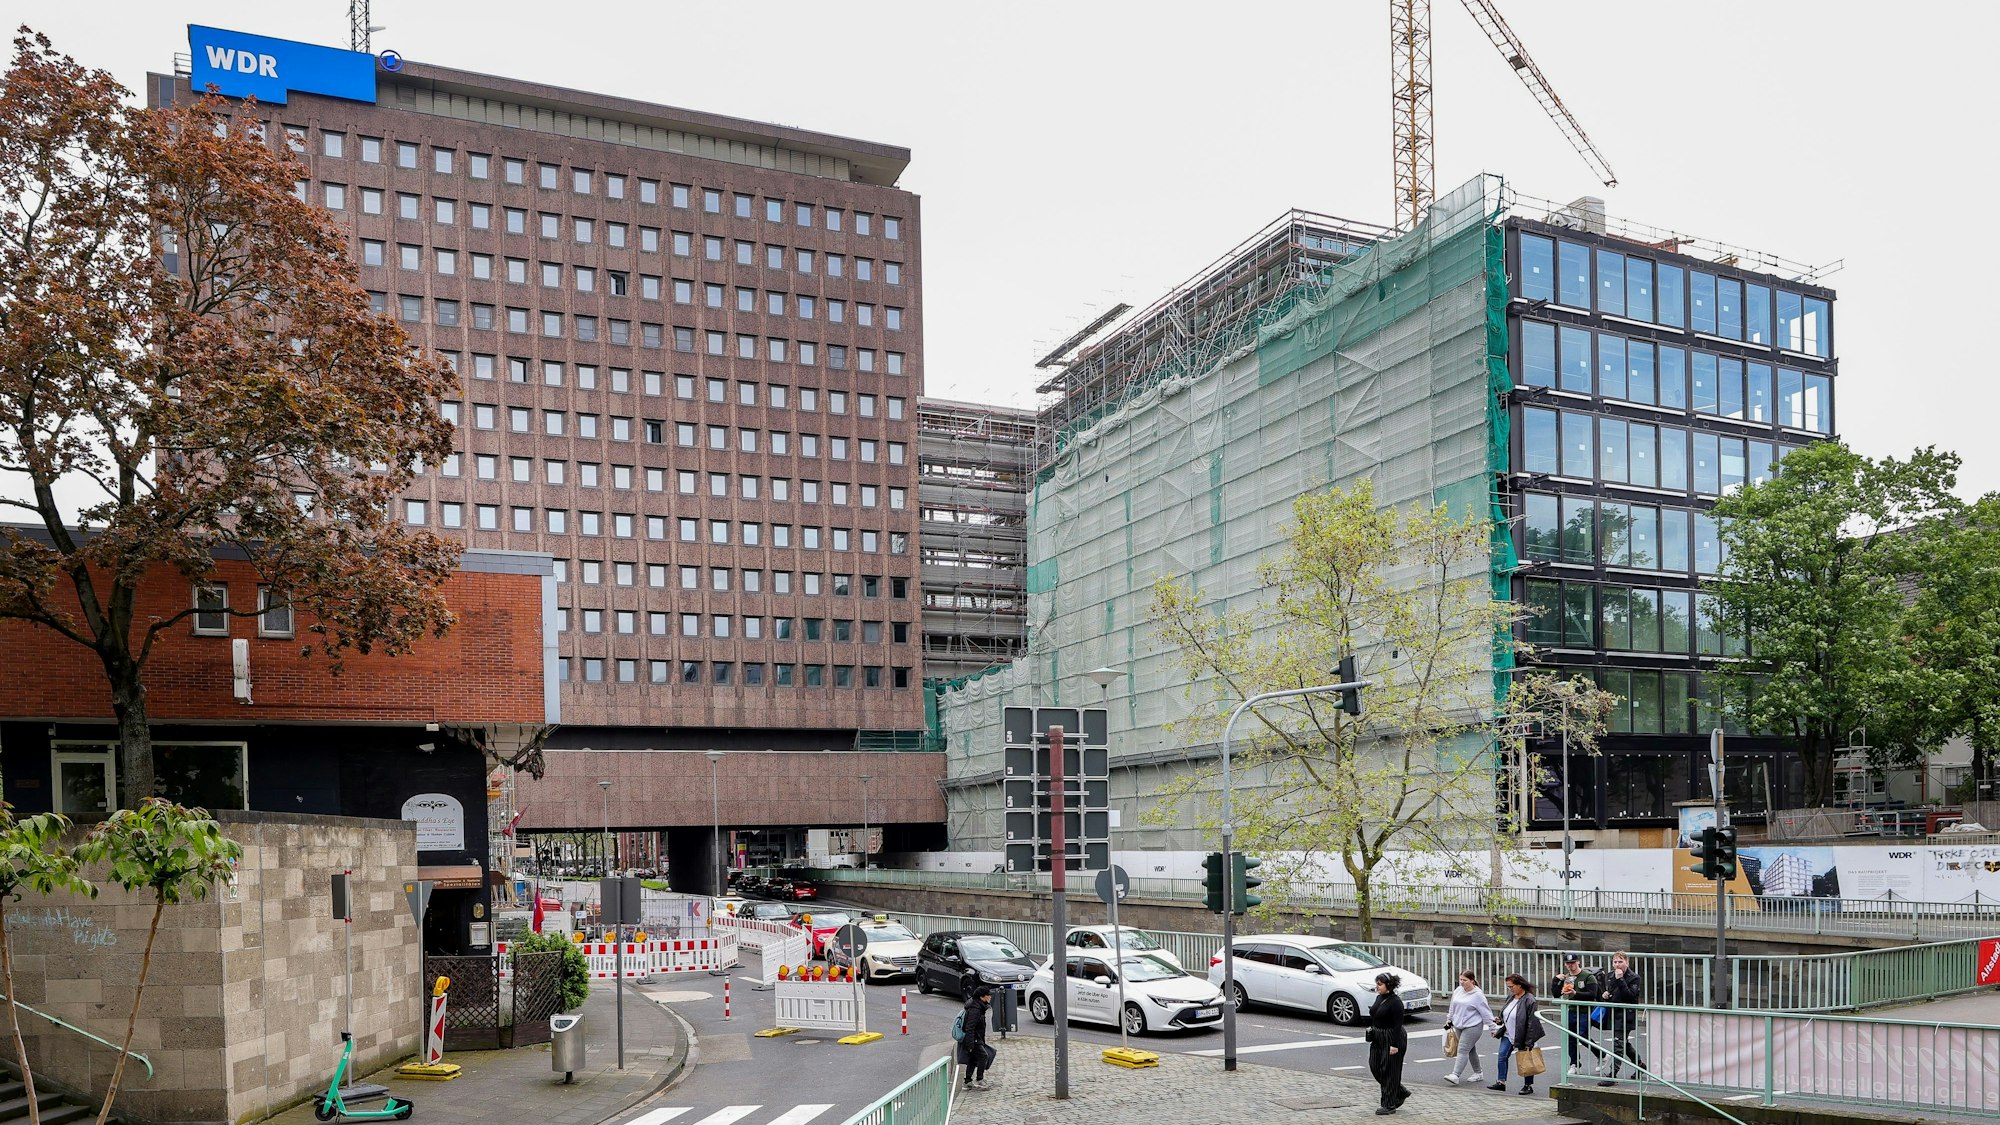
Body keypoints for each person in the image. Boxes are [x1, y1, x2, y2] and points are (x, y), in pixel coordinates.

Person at [1550, 953, 1605, 1074]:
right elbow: (1557, 994)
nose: (1570, 966)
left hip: (1586, 1010)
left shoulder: (1588, 976)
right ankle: (1574, 1063)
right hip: (1572, 1010)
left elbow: (1593, 994)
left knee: (1582, 1035)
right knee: (1570, 1037)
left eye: (1573, 963)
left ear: (1578, 962)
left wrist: (1576, 994)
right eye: (1568, 963)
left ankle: (1602, 1055)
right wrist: (1556, 980)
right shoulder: (1567, 977)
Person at [1365, 971, 1412, 1115]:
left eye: (1380, 984)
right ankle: (1400, 1091)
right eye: (1377, 984)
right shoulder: (1380, 997)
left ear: (1388, 986)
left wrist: (1394, 1045)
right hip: (1378, 1037)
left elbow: (1398, 1025)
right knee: (1375, 1066)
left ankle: (1389, 1104)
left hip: (1392, 1037)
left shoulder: (1396, 1002)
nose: (1377, 987)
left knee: (1389, 1071)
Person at [1489, 973, 1542, 1096]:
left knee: (1525, 1059)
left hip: (1522, 1034)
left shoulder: (1529, 1000)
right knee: (1502, 1056)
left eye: (1511, 986)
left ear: (1520, 985)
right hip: (1508, 1033)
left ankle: (1528, 1085)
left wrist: (1529, 1041)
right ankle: (1501, 1082)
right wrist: (1500, 1020)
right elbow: (1506, 1014)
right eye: (1509, 987)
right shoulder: (1511, 997)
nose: (1510, 989)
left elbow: (1531, 1022)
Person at [1597, 952, 1645, 1084]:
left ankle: (1613, 1075)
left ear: (1627, 963)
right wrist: (1606, 996)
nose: (1617, 965)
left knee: (1618, 1044)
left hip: (1626, 1015)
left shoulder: (1634, 977)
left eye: (1620, 962)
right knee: (1624, 1043)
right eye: (1615, 962)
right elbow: (1613, 994)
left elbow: (1631, 997)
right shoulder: (1611, 976)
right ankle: (1640, 1065)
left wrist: (1621, 980)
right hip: (1614, 1013)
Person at [1444, 969, 1493, 1086]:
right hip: (1459, 1024)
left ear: (1472, 981)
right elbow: (1452, 1006)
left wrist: (1493, 1028)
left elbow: (1486, 1012)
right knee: (1470, 1050)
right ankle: (1478, 1073)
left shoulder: (1478, 995)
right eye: (1460, 979)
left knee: (1463, 1049)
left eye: (1465, 980)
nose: (1462, 982)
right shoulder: (1458, 991)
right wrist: (1449, 1019)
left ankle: (1455, 1075)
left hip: (1473, 1026)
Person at [958, 983, 996, 1090]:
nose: (990, 997)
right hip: (974, 1039)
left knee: (973, 1059)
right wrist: (971, 1044)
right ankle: (979, 1080)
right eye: (988, 995)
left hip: (976, 1038)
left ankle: (967, 1081)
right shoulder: (975, 1009)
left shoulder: (979, 1006)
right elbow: (970, 1027)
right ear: (982, 997)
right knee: (983, 1056)